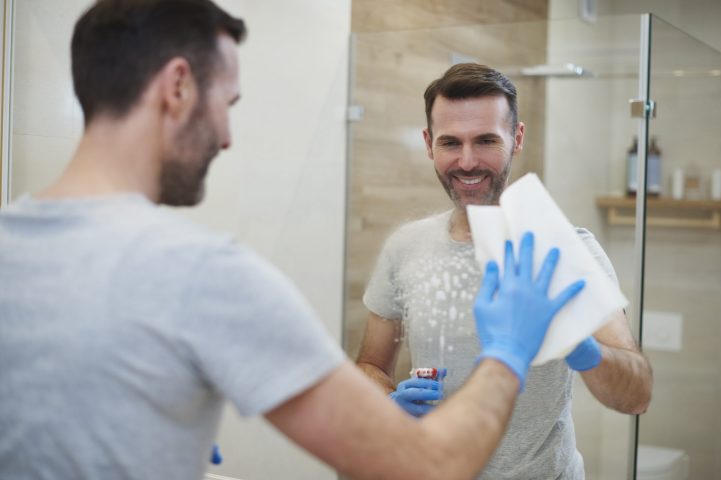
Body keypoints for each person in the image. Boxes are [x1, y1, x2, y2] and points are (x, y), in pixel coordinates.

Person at [0, 2, 586, 479]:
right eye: (227, 104)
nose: (227, 136)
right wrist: (509, 349)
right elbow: (429, 466)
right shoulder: (203, 275)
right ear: (177, 86)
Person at [356, 63, 654, 479]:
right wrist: (388, 403)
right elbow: (370, 364)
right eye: (450, 143)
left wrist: (582, 346)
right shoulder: (406, 247)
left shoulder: (565, 250)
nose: (467, 161)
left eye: (485, 140)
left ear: (516, 138)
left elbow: (636, 395)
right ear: (428, 144)